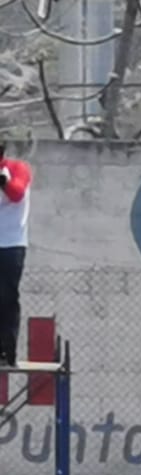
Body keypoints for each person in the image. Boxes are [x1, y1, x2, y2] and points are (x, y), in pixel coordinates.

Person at [0, 141, 32, 367]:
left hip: (11, 244)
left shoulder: (17, 168)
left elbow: (17, 193)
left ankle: (7, 350)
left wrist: (3, 181)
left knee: (7, 298)